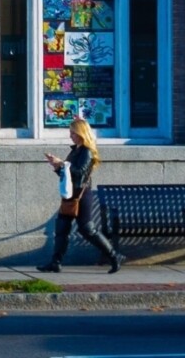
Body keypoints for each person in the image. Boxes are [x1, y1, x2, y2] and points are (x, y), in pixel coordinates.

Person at [37, 117, 123, 273]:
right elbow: (68, 176)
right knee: (62, 227)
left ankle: (114, 256)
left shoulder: (86, 152)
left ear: (81, 133)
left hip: (82, 195)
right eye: (70, 132)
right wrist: (57, 166)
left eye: (73, 133)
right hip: (70, 194)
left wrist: (62, 164)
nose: (70, 135)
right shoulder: (75, 150)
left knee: (87, 229)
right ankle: (55, 262)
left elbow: (79, 173)